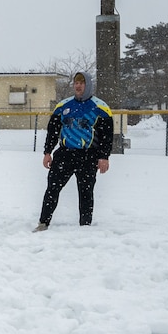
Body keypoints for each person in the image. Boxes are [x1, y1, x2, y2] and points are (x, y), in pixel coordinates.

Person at [36, 71, 114, 231]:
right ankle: (43, 223)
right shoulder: (63, 106)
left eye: (82, 83)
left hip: (88, 156)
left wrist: (103, 157)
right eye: (76, 83)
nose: (78, 86)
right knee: (52, 189)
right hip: (65, 154)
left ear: (88, 85)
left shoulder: (100, 107)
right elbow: (53, 130)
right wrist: (47, 152)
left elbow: (107, 135)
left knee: (86, 192)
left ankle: (85, 227)